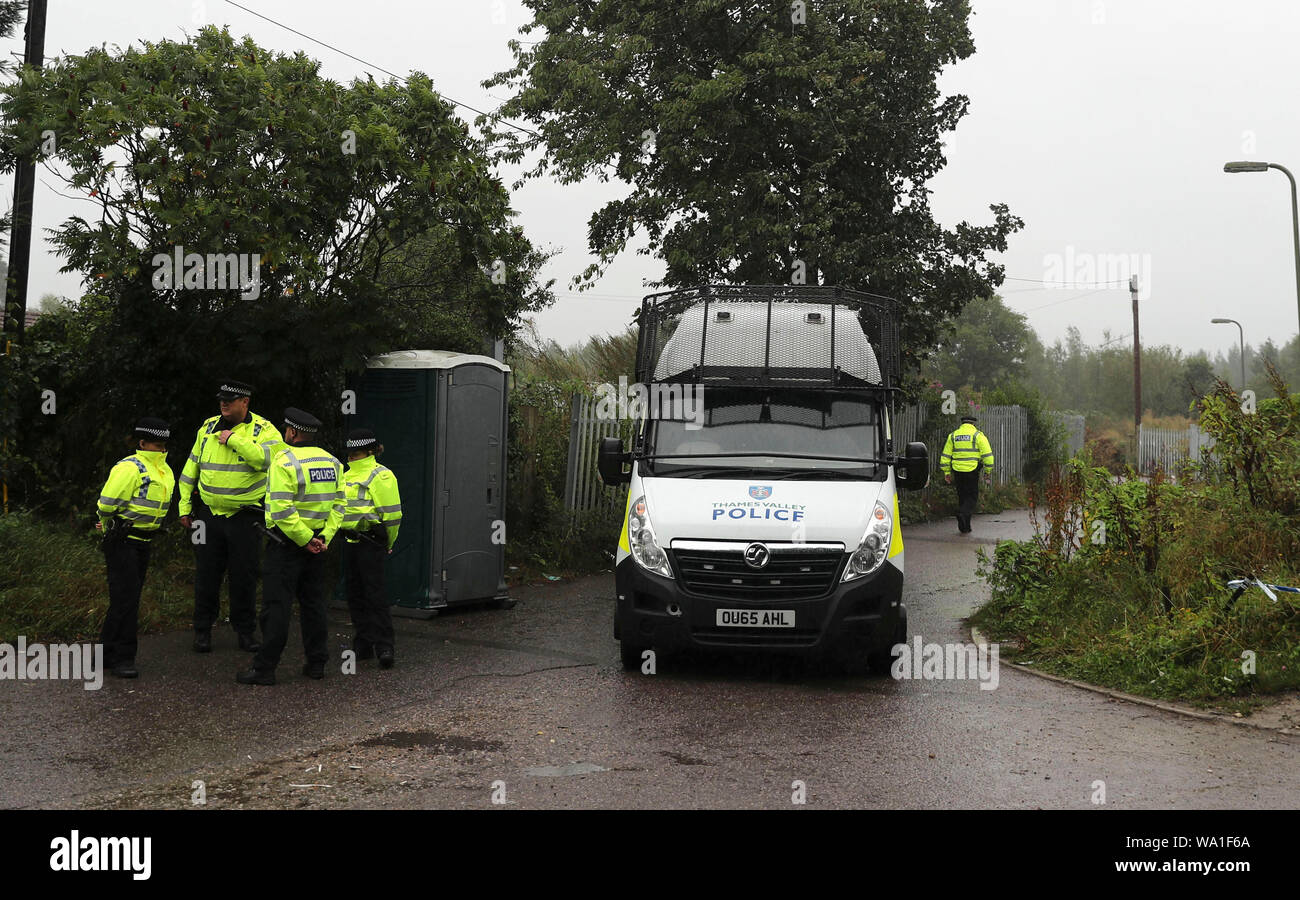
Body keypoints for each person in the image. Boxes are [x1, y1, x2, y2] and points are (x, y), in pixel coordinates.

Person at [177, 380, 283, 654]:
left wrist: (234, 440)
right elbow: (192, 467)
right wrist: (184, 506)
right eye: (221, 399)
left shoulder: (264, 429)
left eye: (230, 399)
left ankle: (245, 632)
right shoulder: (207, 426)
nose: (223, 403)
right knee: (206, 576)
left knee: (244, 577)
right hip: (207, 516)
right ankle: (202, 631)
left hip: (245, 518)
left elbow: (267, 460)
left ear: (245, 402)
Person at [238, 408, 342, 685]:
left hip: (286, 546)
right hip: (318, 545)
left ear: (293, 433)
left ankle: (265, 669)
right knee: (314, 606)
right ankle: (317, 663)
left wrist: (305, 540)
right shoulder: (332, 462)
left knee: (276, 608)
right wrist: (323, 539)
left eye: (286, 430)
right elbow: (340, 506)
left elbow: (282, 510)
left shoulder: (284, 462)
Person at [96, 418, 177, 678]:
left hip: (143, 541)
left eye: (163, 444)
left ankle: (104, 654)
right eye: (156, 444)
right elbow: (106, 505)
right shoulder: (130, 468)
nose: (161, 449)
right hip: (123, 541)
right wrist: (109, 523)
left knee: (125, 599)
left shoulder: (164, 469)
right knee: (126, 600)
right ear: (142, 443)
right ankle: (123, 658)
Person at [330, 428, 403, 669]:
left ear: (370, 452)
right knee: (355, 595)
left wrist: (388, 543)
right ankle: (363, 643)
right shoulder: (344, 474)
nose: (352, 457)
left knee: (375, 595)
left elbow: (392, 516)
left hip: (371, 542)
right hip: (350, 542)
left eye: (356, 453)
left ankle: (385, 646)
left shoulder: (381, 476)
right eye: (350, 453)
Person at [940, 414, 995, 535]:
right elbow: (988, 456)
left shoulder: (953, 436)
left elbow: (945, 455)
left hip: (957, 471)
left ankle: (965, 527)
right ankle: (962, 514)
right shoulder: (978, 435)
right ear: (973, 424)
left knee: (962, 497)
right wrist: (987, 471)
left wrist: (947, 472)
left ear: (962, 423)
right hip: (972, 471)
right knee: (971, 497)